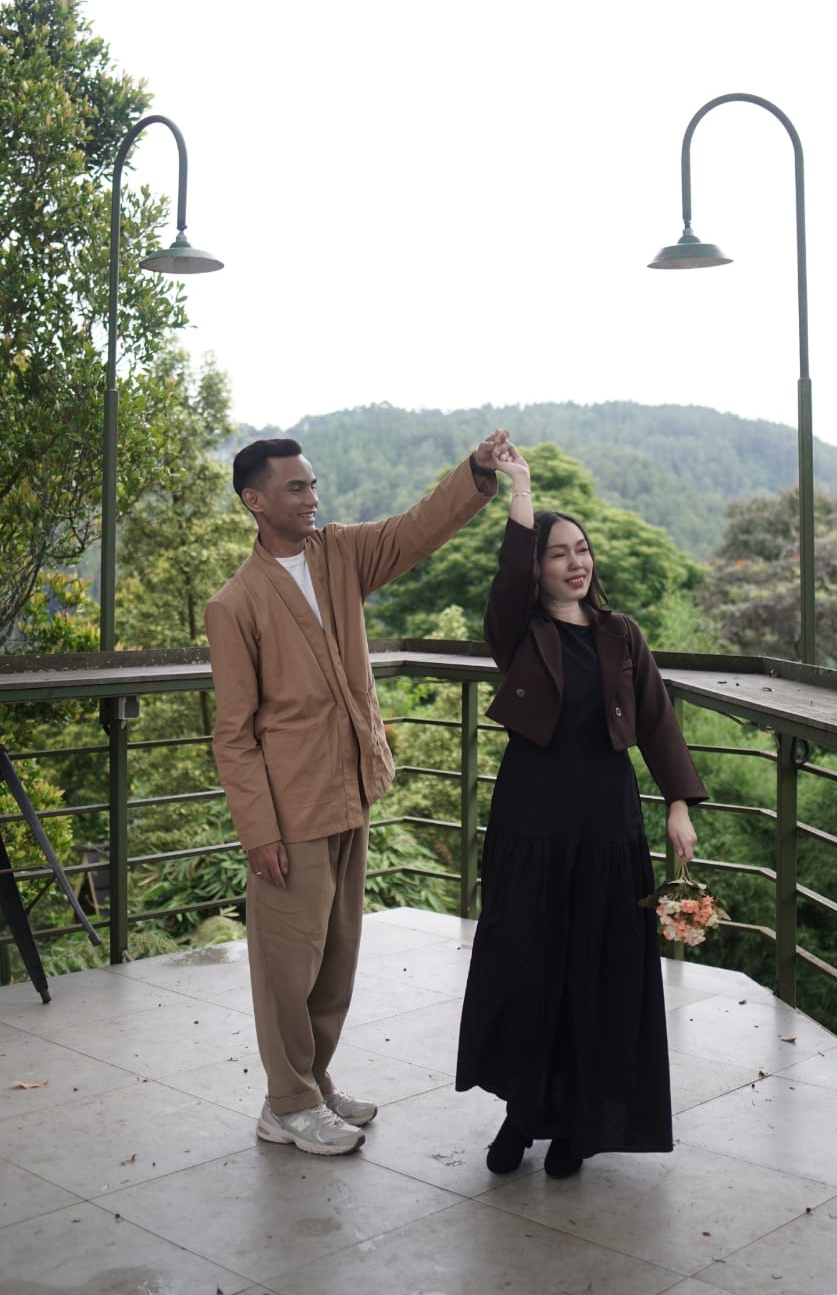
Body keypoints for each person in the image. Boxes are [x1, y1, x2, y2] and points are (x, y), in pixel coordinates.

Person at [205, 429, 511, 1156]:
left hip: (352, 788)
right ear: (254, 501)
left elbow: (416, 528)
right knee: (288, 963)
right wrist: (258, 832)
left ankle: (312, 1082)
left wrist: (473, 471)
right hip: (290, 808)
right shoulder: (235, 603)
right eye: (295, 487)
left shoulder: (340, 554)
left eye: (313, 484)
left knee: (336, 954)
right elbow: (234, 734)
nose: (312, 498)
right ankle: (286, 1104)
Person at [456, 447, 707, 1178]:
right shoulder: (517, 631)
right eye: (558, 553)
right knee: (527, 971)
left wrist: (678, 805)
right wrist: (521, 487)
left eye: (582, 550)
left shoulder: (620, 633)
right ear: (536, 568)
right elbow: (506, 579)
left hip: (606, 827)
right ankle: (520, 1115)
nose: (576, 563)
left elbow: (656, 718)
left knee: (595, 975)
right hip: (530, 825)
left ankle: (576, 1126)